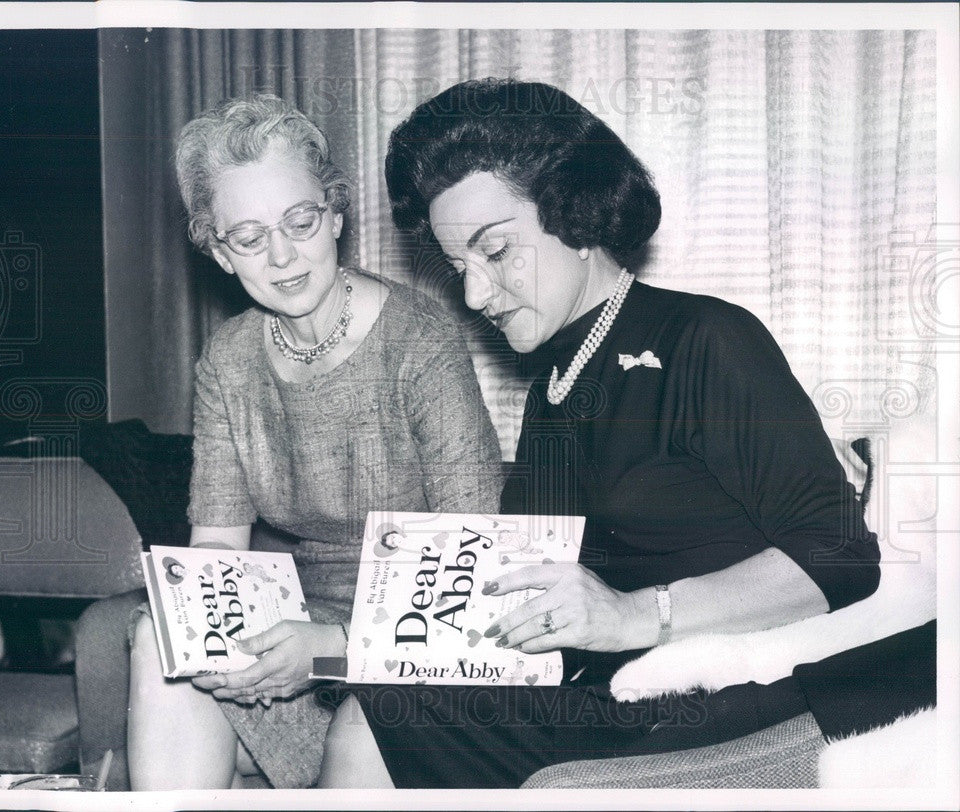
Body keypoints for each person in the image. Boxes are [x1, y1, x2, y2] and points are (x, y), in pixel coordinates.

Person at [316, 78, 882, 789]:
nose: (474, 294)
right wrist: (341, 645)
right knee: (376, 707)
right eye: (459, 267)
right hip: (614, 699)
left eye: (497, 252)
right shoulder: (552, 391)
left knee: (373, 722)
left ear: (577, 214)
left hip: (728, 708)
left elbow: (844, 559)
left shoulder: (704, 338)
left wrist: (631, 616)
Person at [126, 95, 503, 789]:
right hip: (296, 632)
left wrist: (329, 650)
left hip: (421, 640)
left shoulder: (420, 341)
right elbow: (218, 550)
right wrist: (208, 632)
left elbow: (473, 568)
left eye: (300, 222)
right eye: (247, 236)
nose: (281, 254)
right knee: (159, 641)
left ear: (334, 215)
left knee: (367, 727)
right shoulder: (229, 360)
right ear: (216, 249)